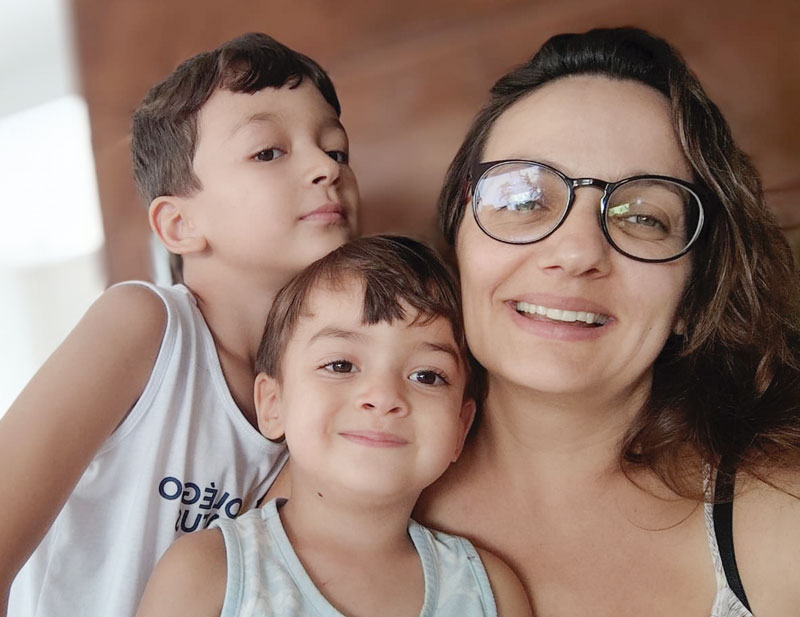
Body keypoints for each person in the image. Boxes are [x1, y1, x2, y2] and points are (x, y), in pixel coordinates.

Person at [411, 27, 800, 617]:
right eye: (523, 200)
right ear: (457, 245)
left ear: (695, 294)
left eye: (642, 217)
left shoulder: (781, 522)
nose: (576, 253)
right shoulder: (331, 479)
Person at [0, 32, 359, 617]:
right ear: (179, 226)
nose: (326, 168)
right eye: (268, 152)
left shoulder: (328, 384)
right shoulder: (143, 326)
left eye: (337, 150)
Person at [135, 235, 532, 617]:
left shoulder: (490, 592)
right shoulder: (207, 574)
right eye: (340, 365)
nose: (383, 396)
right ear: (273, 405)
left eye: (427, 376)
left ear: (461, 427)